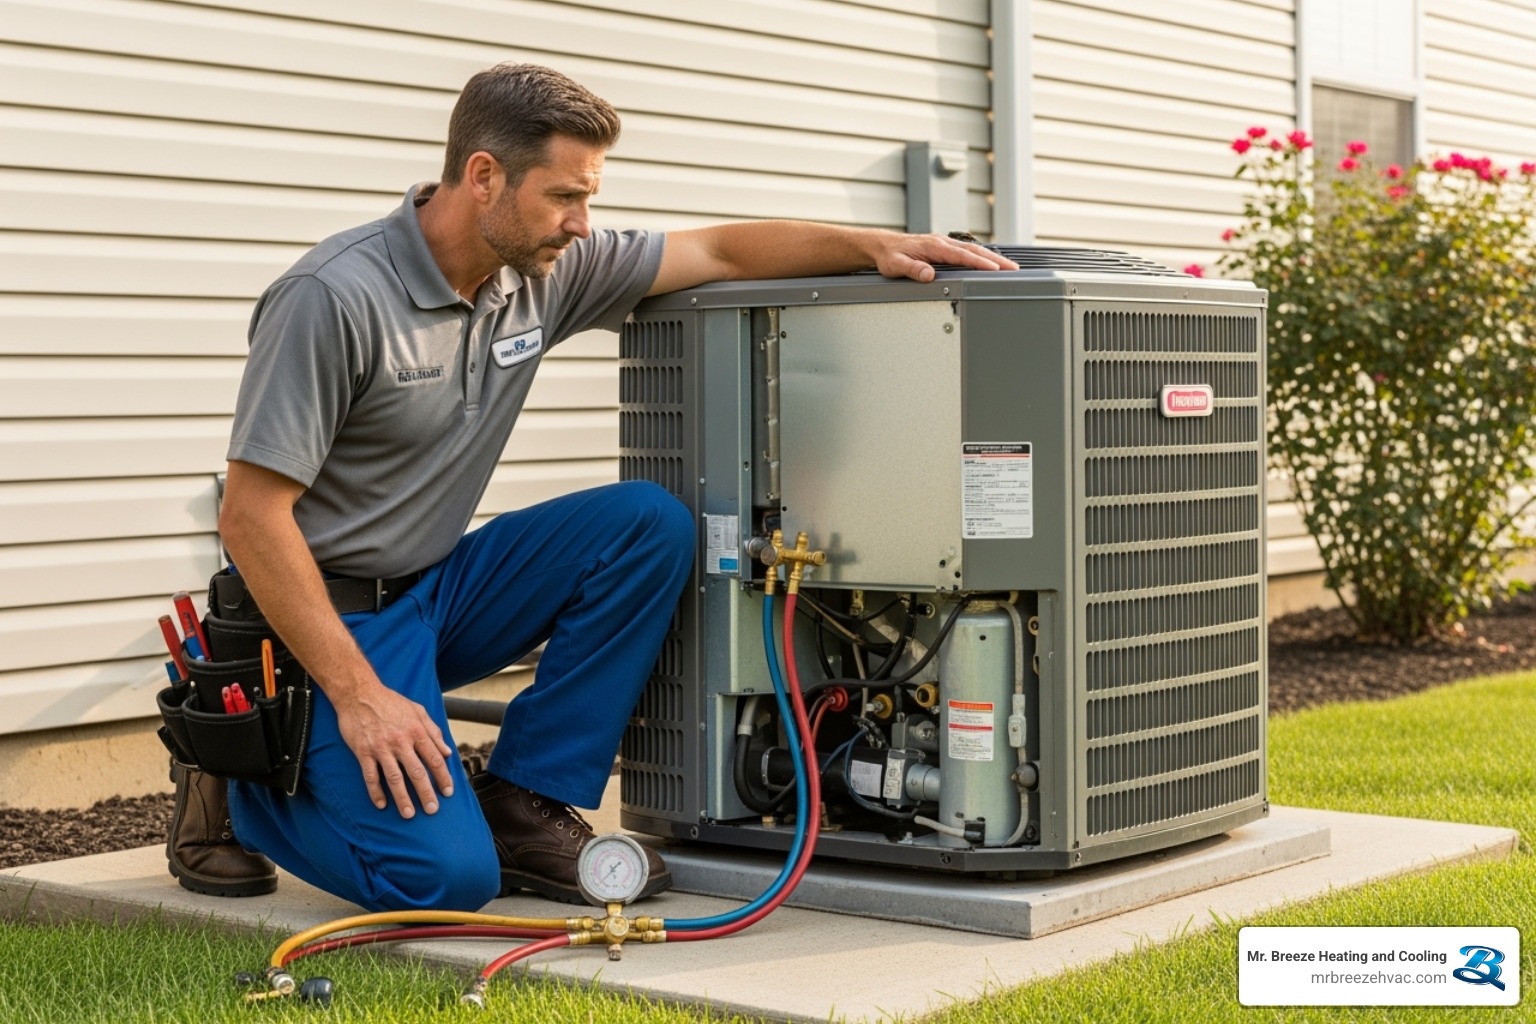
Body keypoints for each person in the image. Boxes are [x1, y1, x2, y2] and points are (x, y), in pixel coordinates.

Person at [167, 62, 1016, 912]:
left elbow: (717, 249)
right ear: (484, 176)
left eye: (590, 198)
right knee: (442, 880)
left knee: (644, 525)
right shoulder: (332, 297)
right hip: (320, 620)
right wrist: (361, 697)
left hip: (432, 591)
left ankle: (521, 794)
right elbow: (251, 518)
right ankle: (239, 778)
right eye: (565, 197)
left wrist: (872, 246)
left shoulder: (539, 272)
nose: (582, 225)